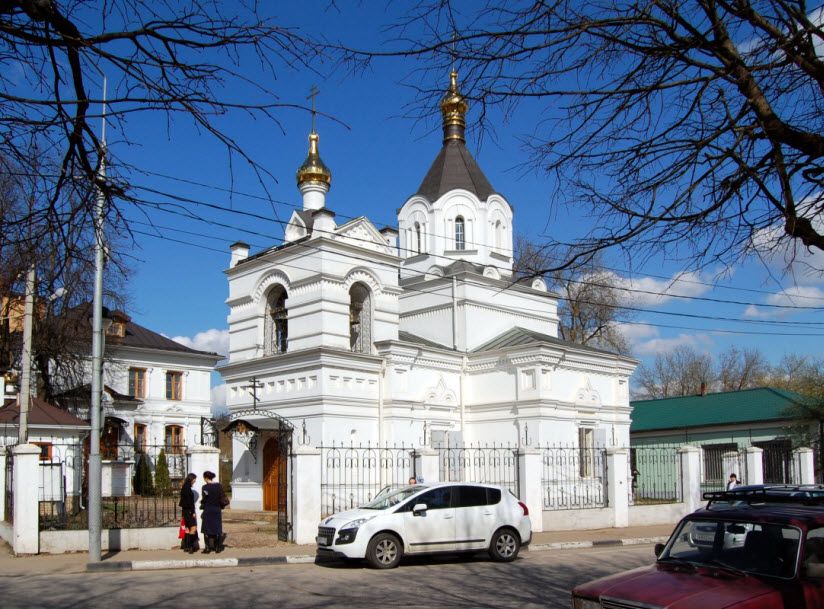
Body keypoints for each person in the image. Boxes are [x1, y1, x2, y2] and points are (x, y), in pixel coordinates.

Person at [201, 470, 228, 554]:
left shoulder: (205, 487)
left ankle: (208, 548)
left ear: (206, 478)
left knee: (206, 529)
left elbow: (204, 500)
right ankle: (218, 548)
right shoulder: (219, 486)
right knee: (217, 528)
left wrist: (202, 504)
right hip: (217, 510)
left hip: (208, 510)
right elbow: (222, 497)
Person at [178, 473, 199, 554]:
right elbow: (190, 502)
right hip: (189, 511)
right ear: (191, 479)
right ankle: (190, 547)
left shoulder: (184, 487)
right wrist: (193, 512)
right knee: (193, 528)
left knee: (187, 528)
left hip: (185, 511)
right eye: (194, 479)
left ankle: (186, 547)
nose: (195, 481)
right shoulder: (187, 488)